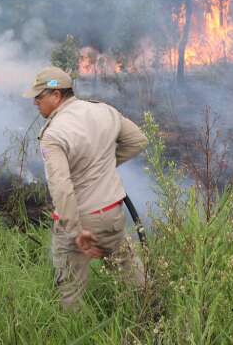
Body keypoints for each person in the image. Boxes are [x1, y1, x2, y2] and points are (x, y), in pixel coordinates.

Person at [23, 66, 148, 310]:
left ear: (56, 95)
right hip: (112, 213)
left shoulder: (53, 134)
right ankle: (151, 316)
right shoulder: (104, 111)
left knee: (70, 288)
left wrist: (75, 229)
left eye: (39, 97)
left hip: (80, 220)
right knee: (129, 272)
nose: (35, 103)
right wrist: (100, 167)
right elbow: (138, 140)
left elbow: (61, 187)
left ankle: (75, 330)